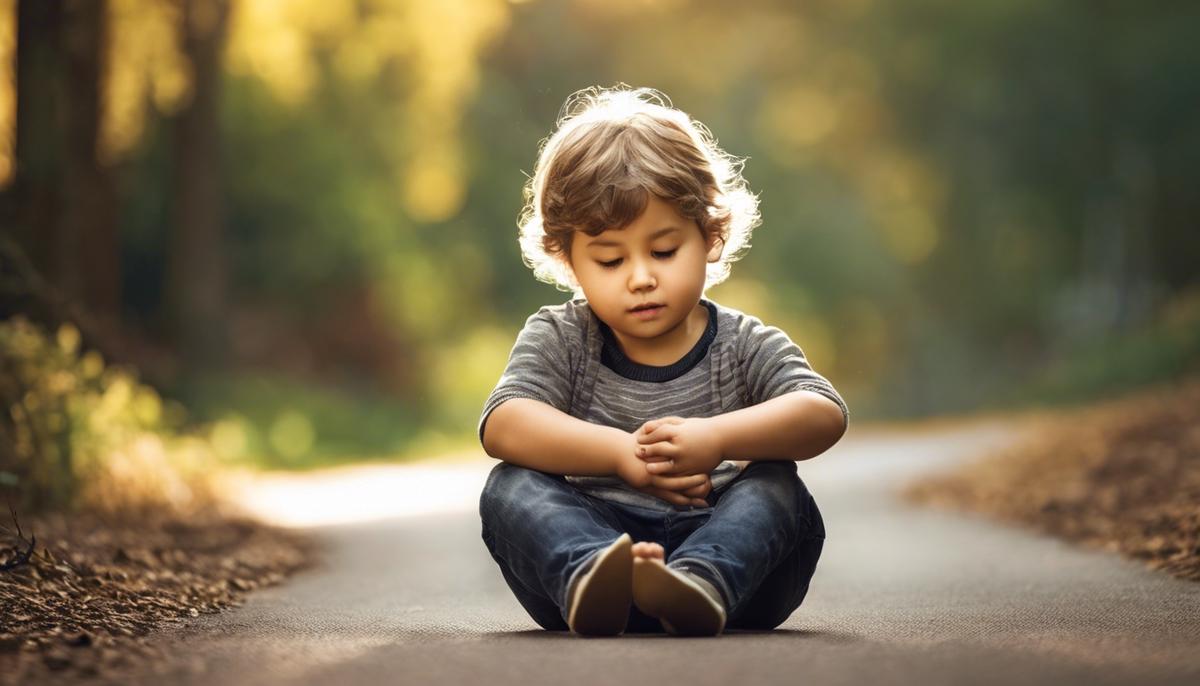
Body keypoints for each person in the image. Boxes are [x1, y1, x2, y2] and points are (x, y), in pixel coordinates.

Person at [477, 85, 849, 637]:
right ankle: (592, 575)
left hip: (733, 565)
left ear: (711, 236)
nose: (641, 277)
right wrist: (622, 454)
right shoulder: (561, 337)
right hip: (595, 555)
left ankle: (698, 583)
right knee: (510, 487)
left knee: (776, 485)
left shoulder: (742, 342)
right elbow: (504, 423)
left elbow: (823, 412)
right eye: (609, 259)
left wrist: (719, 440)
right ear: (569, 261)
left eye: (664, 250)